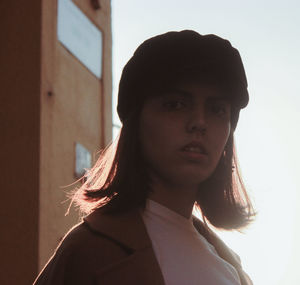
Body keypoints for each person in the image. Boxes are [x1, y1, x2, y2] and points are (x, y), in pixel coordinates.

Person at [34, 30, 255, 285]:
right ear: (136, 121)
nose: (199, 122)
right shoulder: (88, 252)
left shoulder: (228, 264)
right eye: (175, 104)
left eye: (217, 109)